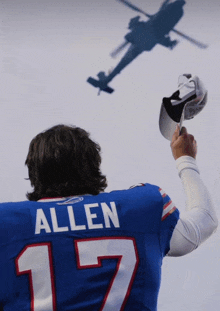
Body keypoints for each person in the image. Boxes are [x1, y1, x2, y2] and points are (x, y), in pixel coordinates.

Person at [0, 124, 217, 311]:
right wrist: (185, 159)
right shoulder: (142, 206)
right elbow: (203, 222)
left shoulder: (7, 221)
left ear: (35, 172)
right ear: (93, 166)